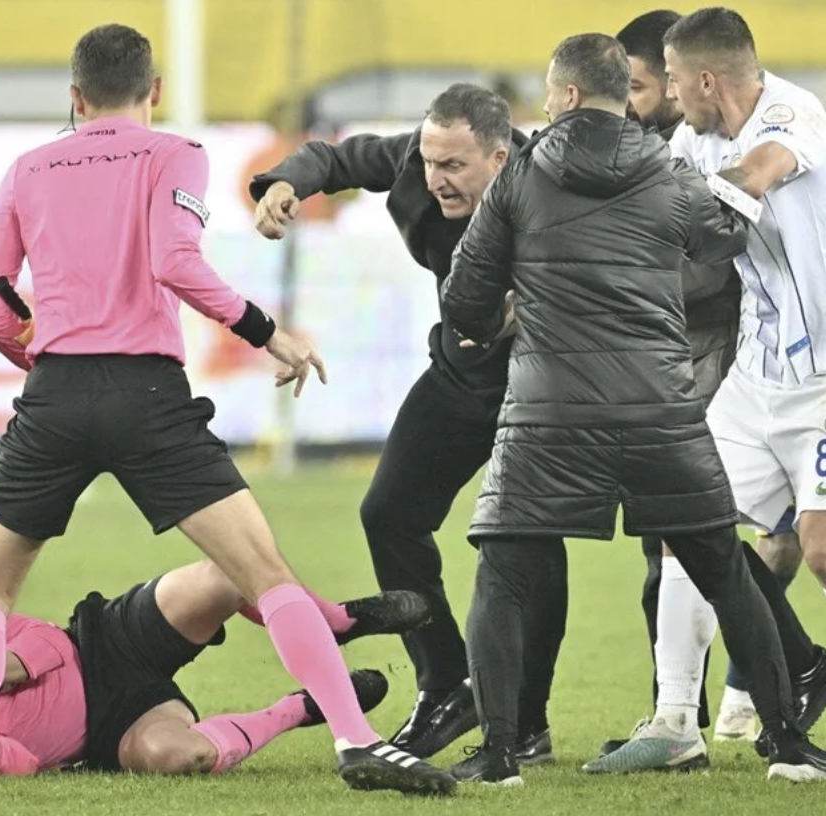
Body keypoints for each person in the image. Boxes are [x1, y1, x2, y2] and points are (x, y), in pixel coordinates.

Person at [0, 24, 458, 798]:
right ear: (155, 91)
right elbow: (174, 261)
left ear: (75, 96)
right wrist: (268, 333)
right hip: (148, 394)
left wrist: (48, 364)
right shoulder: (176, 154)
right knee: (262, 573)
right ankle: (356, 739)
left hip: (56, 394)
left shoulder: (29, 168)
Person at [441, 31, 826, 786]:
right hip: (661, 409)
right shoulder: (671, 170)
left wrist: (491, 324)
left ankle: (499, 753)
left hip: (548, 413)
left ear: (568, 94)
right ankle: (786, 744)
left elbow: (466, 296)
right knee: (724, 567)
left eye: (549, 92)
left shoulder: (520, 175)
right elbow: (720, 242)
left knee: (503, 574)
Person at [247, 84, 561, 763]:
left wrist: (537, 305)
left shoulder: (554, 179)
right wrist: (283, 184)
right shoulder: (416, 160)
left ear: (501, 158)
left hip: (540, 384)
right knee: (389, 513)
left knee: (526, 542)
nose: (434, 178)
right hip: (459, 374)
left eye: (454, 166)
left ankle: (526, 723)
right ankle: (445, 683)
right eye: (429, 161)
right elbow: (335, 158)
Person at [588, 9, 826, 774]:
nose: (664, 96)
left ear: (704, 80)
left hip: (824, 380)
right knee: (685, 520)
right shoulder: (691, 141)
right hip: (757, 375)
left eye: (670, 80)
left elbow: (759, 173)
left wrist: (688, 208)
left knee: (819, 549)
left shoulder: (791, 114)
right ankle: (674, 723)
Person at [0, 563, 432, 776]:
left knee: (223, 575)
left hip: (101, 644)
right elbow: (29, 765)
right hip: (109, 729)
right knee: (181, 757)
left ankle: (333, 621)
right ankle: (300, 708)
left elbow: (47, 638)